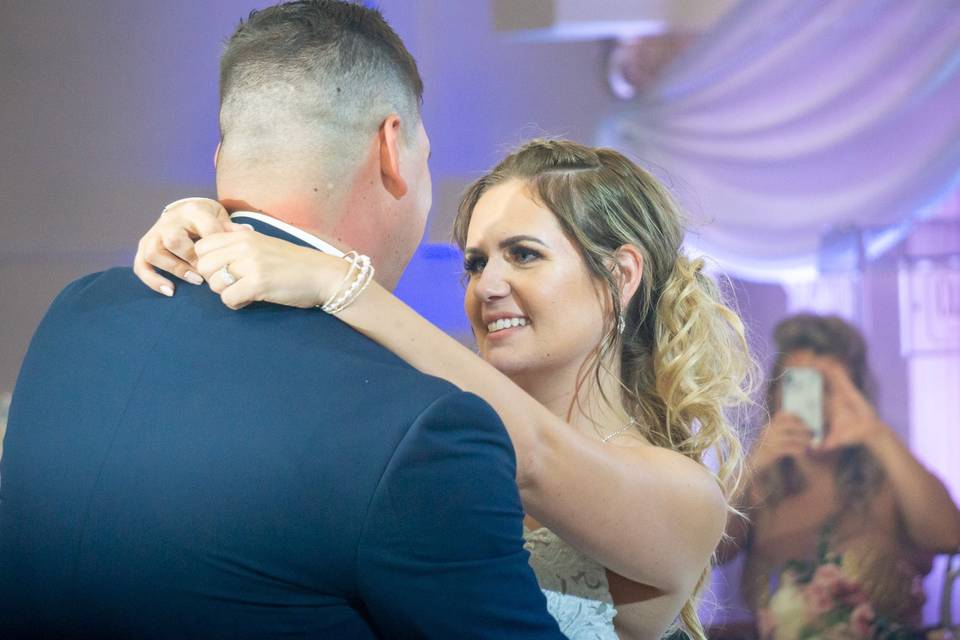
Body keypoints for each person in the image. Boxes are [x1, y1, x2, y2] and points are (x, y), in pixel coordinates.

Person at [0, 2, 565, 638]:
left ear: (220, 159)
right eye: (425, 156)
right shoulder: (421, 432)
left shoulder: (75, 316)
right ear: (390, 150)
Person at [132, 138, 756, 639]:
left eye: (524, 255)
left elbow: (536, 455)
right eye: (477, 261)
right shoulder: (442, 443)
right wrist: (209, 233)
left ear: (619, 276)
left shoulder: (685, 497)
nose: (487, 286)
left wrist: (341, 283)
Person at [719, 313, 960, 636]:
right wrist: (749, 466)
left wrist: (876, 432)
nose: (815, 402)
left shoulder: (888, 483)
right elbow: (702, 555)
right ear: (776, 395)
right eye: (801, 385)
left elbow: (951, 537)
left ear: (856, 393)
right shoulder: (759, 489)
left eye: (829, 387)